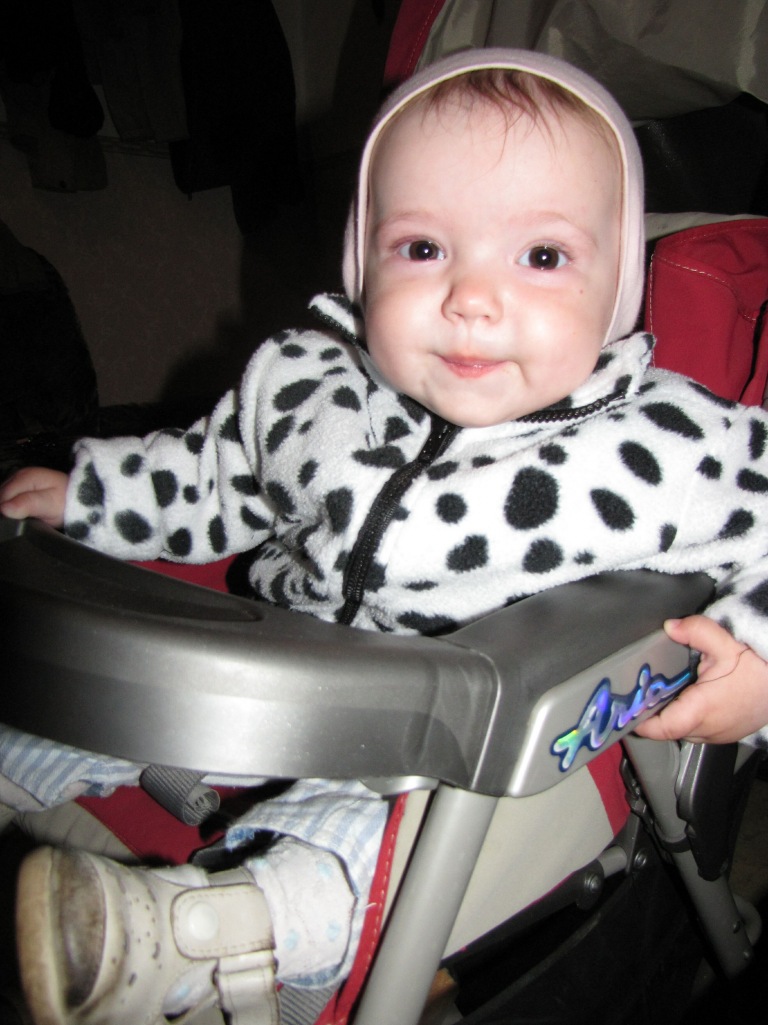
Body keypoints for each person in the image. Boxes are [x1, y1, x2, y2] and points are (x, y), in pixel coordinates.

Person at [2, 46, 768, 1025]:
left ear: (616, 284)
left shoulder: (658, 446)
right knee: (68, 692)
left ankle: (200, 932)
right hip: (281, 690)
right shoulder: (308, 387)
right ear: (363, 261)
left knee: (359, 843)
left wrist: (758, 661)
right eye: (423, 248)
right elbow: (214, 476)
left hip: (478, 759)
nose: (471, 297)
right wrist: (93, 494)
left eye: (541, 257)